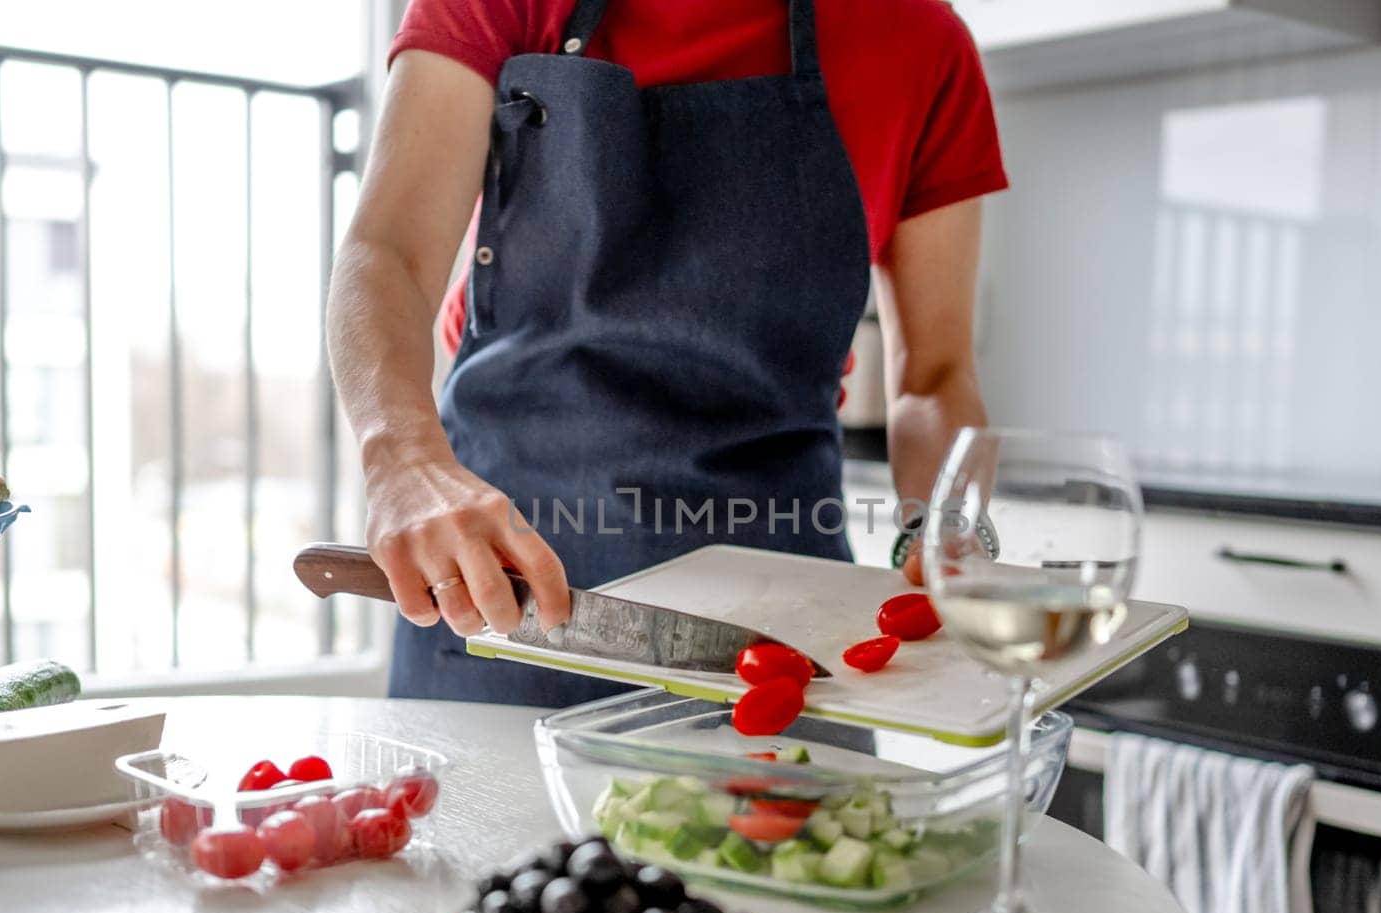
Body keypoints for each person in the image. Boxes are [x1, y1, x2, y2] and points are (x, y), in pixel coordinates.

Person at [328, 0, 1007, 705]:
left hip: (775, 630)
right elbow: (391, 252)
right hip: (500, 592)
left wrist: (944, 521)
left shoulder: (924, 41)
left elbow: (935, 376)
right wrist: (402, 461)